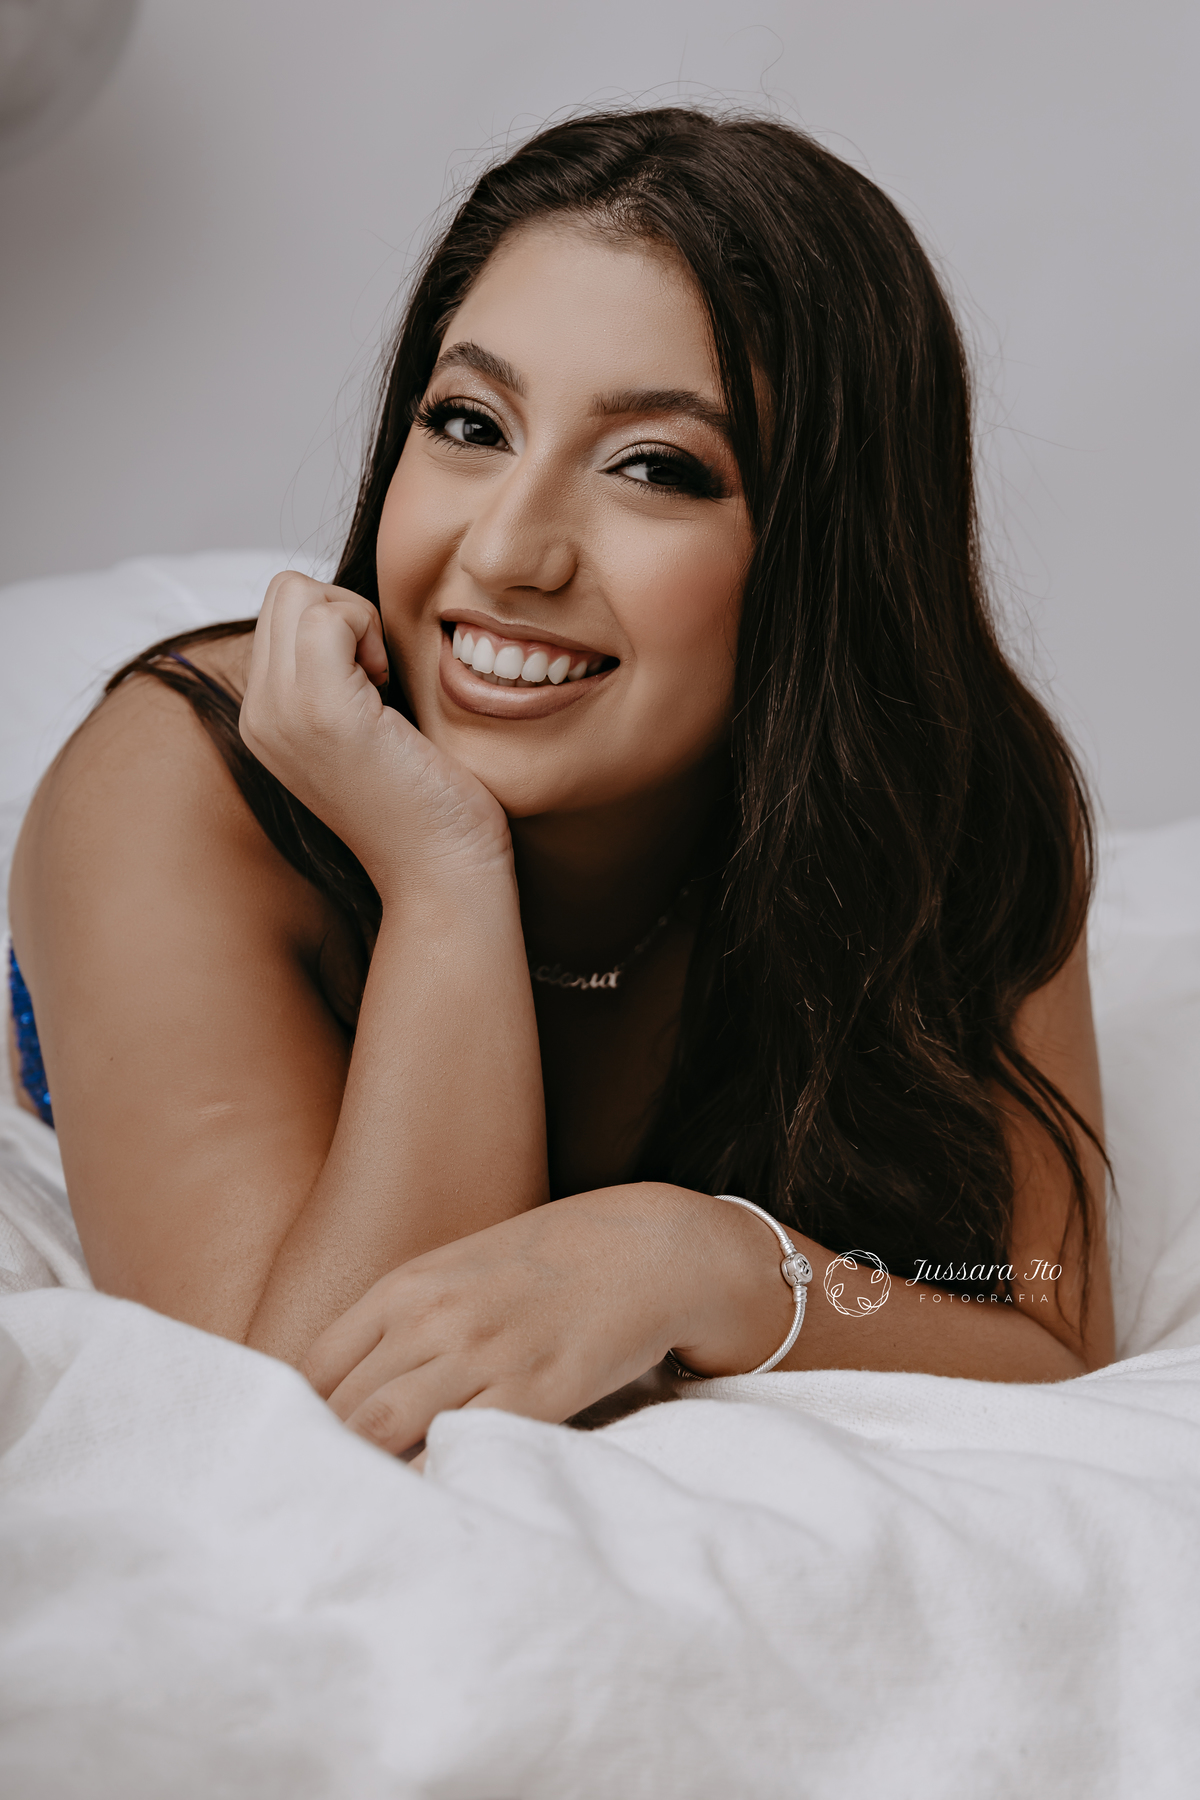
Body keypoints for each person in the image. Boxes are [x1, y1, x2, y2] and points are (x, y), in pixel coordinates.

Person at [6, 108, 1114, 1455]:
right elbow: (309, 1430)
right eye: (469, 423)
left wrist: (708, 1259)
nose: (507, 549)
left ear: (829, 556)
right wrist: (440, 872)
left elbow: (1045, 1321)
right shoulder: (180, 782)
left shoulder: (956, 805)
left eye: (655, 467)